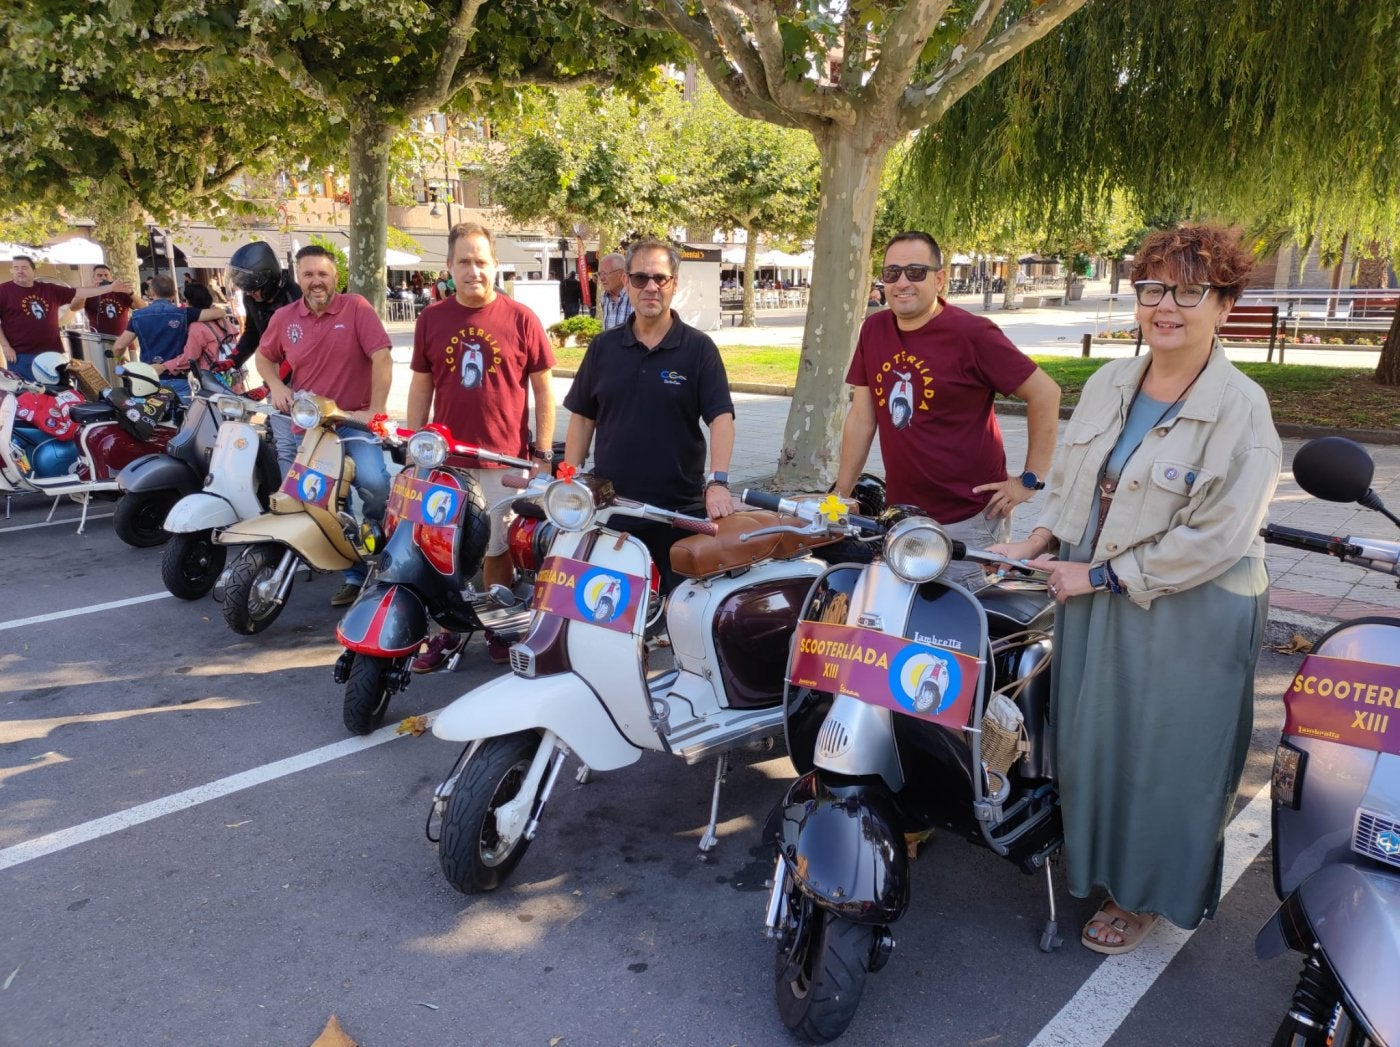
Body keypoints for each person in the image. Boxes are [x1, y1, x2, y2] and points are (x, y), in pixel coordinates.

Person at [990, 224, 1282, 954]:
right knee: (1096, 737)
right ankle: (1099, 859)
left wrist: (1098, 574)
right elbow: (1074, 484)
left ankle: (1145, 892)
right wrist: (1034, 540)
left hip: (1192, 605)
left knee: (1168, 758)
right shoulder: (1115, 382)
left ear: (1226, 305)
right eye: (1153, 288)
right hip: (1097, 589)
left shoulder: (1242, 408)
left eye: (1190, 290)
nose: (1166, 306)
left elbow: (1219, 534)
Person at [834, 231, 1061, 587]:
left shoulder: (972, 334)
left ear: (939, 279)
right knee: (907, 621)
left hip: (969, 518)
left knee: (963, 624)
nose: (902, 282)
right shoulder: (874, 329)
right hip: (904, 516)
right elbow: (863, 417)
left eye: (915, 272)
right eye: (892, 273)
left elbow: (1046, 394)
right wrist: (841, 495)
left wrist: (1030, 480)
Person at [406, 222, 557, 671]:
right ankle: (449, 632)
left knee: (495, 549)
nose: (475, 270)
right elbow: (420, 387)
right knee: (442, 551)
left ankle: (496, 623)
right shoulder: (431, 319)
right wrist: (415, 449)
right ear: (449, 267)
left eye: (482, 261)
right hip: (446, 462)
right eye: (465, 262)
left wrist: (542, 456)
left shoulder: (521, 318)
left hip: (502, 460)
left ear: (496, 265)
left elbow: (545, 392)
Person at [564, 238, 736, 592]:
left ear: (674, 283)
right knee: (610, 612)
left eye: (660, 278)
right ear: (626, 282)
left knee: (681, 615)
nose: (651, 287)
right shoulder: (603, 347)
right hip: (613, 507)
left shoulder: (698, 348)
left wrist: (718, 482)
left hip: (679, 511)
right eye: (640, 278)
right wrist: (570, 480)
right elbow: (582, 417)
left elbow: (721, 417)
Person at [256, 244, 394, 607]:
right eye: (308, 274)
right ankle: (353, 574)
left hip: (353, 421)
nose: (316, 281)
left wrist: (376, 412)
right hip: (311, 430)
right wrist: (276, 385)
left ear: (335, 277)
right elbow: (264, 357)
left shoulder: (357, 308)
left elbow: (382, 357)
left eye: (323, 274)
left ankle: (380, 543)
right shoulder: (285, 318)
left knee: (376, 485)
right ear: (298, 278)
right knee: (324, 501)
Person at [0, 255, 132, 381]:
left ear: (33, 270)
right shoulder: (3, 291)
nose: (19, 271)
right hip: (21, 355)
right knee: (26, 397)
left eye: (24, 267)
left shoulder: (49, 289)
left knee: (59, 394)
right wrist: (5, 347)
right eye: (15, 268)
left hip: (53, 353)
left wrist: (110, 287)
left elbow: (79, 292)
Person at [113, 276, 192, 399]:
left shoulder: (138, 316)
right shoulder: (184, 314)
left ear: (152, 292)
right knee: (183, 415)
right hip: (179, 378)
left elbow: (119, 346)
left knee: (151, 414)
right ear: (175, 292)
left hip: (149, 378)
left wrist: (119, 358)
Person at [161, 283, 242, 386]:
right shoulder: (223, 320)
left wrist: (164, 366)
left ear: (189, 302)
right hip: (233, 373)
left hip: (213, 380)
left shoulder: (196, 327)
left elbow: (189, 358)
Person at [83, 264, 146, 338]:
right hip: (100, 342)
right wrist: (87, 291)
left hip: (123, 342)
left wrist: (131, 293)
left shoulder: (121, 292)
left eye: (106, 275)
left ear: (111, 278)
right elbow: (74, 308)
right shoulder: (89, 294)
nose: (103, 278)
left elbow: (143, 308)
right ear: (93, 278)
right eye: (99, 275)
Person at [596, 252, 633, 330]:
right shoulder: (605, 298)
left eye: (605, 273)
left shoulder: (636, 297)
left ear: (621, 274)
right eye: (599, 274)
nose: (601, 278)